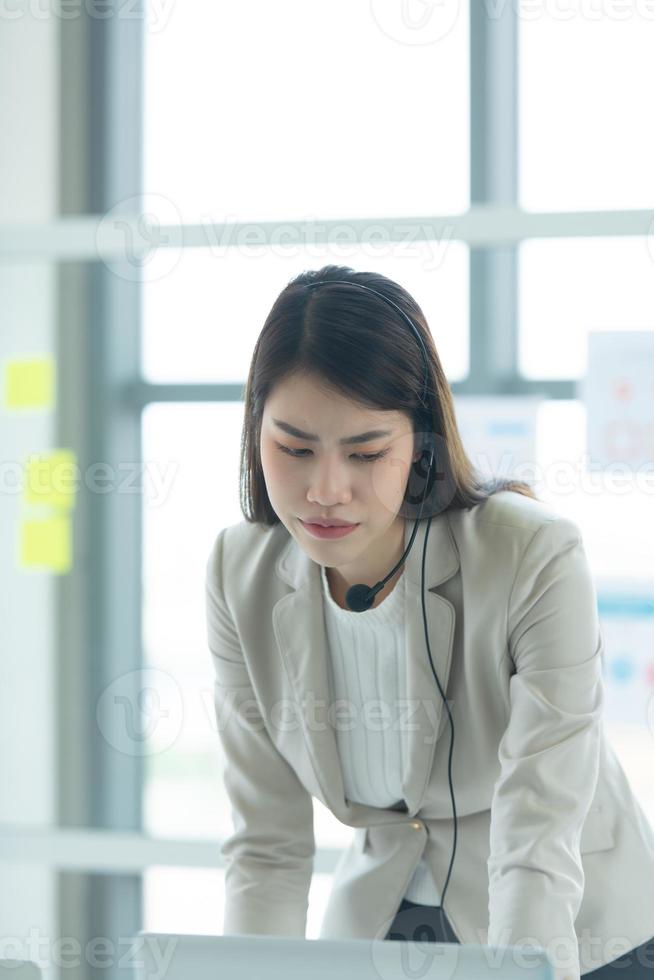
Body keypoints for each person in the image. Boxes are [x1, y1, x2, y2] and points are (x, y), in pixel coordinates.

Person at [205, 264, 654, 980]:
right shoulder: (240, 572)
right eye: (293, 449)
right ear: (254, 433)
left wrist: (524, 971)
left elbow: (536, 832)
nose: (325, 490)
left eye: (366, 453)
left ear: (421, 446)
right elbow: (266, 845)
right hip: (386, 922)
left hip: (580, 926)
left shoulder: (532, 552)